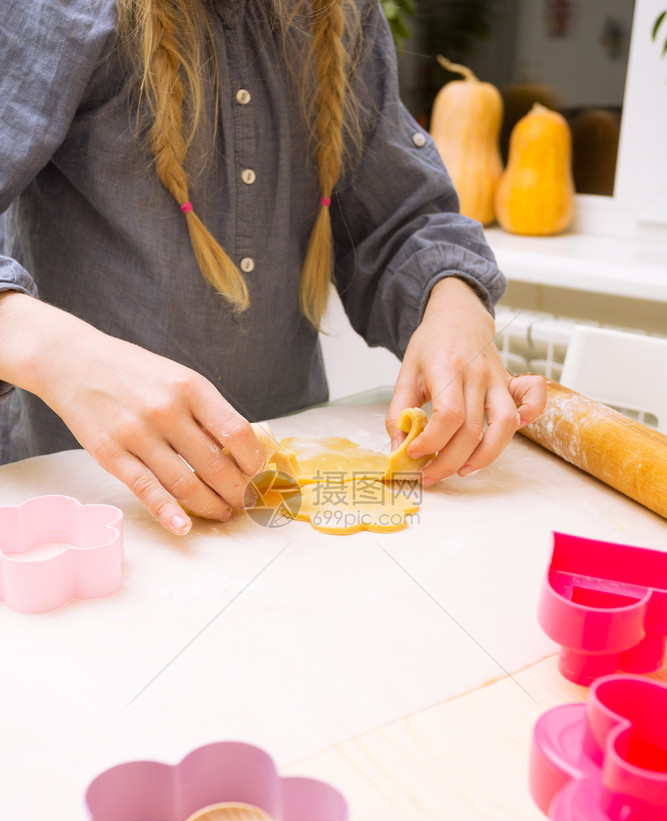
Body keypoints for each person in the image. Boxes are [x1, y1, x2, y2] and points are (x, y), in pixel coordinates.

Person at [0, 0, 545, 536]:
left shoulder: (343, 14)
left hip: (279, 514)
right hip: (74, 503)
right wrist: (59, 355)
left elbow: (398, 220)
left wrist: (452, 305)